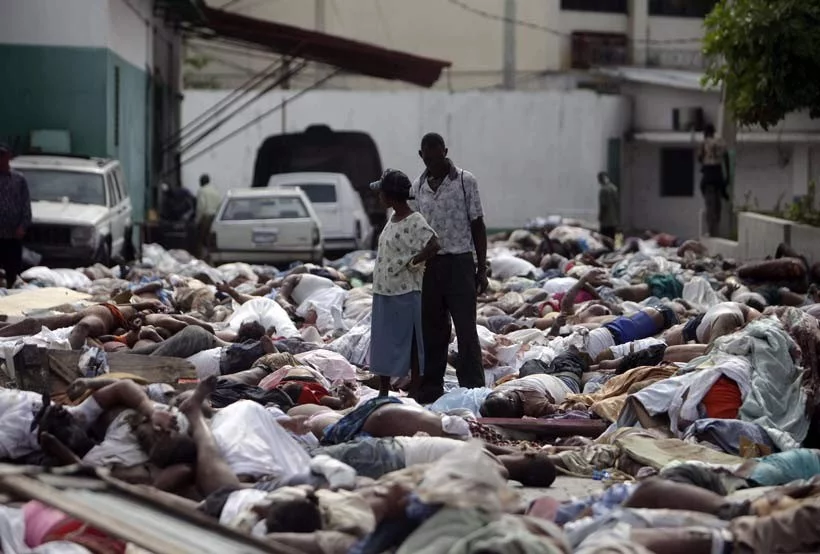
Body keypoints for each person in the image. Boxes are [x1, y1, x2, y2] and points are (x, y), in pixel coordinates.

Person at [410, 133, 488, 403]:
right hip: (431, 267)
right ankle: (432, 388)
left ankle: (474, 388)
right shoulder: (417, 188)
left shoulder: (466, 181)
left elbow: (477, 225)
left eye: (437, 155)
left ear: (445, 151)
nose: (432, 161)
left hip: (460, 263)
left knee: (466, 329)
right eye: (427, 157)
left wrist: (482, 269)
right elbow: (413, 231)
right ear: (421, 156)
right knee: (433, 330)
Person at [369, 169, 440, 396]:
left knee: (408, 340)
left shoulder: (414, 220)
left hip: (405, 290)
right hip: (384, 289)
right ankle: (384, 387)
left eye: (381, 193)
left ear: (390, 196)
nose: (379, 197)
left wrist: (413, 262)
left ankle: (415, 386)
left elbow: (434, 244)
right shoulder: (392, 219)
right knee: (384, 340)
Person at [0, 143, 31, 288]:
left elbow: (25, 206)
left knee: (12, 272)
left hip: (13, 235)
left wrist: (22, 227)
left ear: (8, 157)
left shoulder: (18, 179)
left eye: (3, 156)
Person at [698, 124, 729, 237]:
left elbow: (700, 158)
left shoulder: (705, 143)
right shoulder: (721, 142)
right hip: (718, 173)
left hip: (709, 174)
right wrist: (728, 177)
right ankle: (717, 229)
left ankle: (712, 231)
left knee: (710, 204)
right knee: (717, 204)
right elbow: (726, 158)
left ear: (706, 133)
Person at [195, 174, 221, 256]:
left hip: (206, 217)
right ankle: (211, 256)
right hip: (215, 217)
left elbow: (201, 207)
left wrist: (197, 220)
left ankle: (202, 256)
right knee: (211, 239)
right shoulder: (215, 190)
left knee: (201, 238)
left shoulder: (202, 191)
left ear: (201, 182)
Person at [597, 171, 619, 241]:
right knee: (617, 236)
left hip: (606, 221)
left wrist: (600, 217)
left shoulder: (603, 190)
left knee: (603, 239)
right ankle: (620, 249)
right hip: (615, 220)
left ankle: (606, 251)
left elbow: (604, 205)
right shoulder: (614, 188)